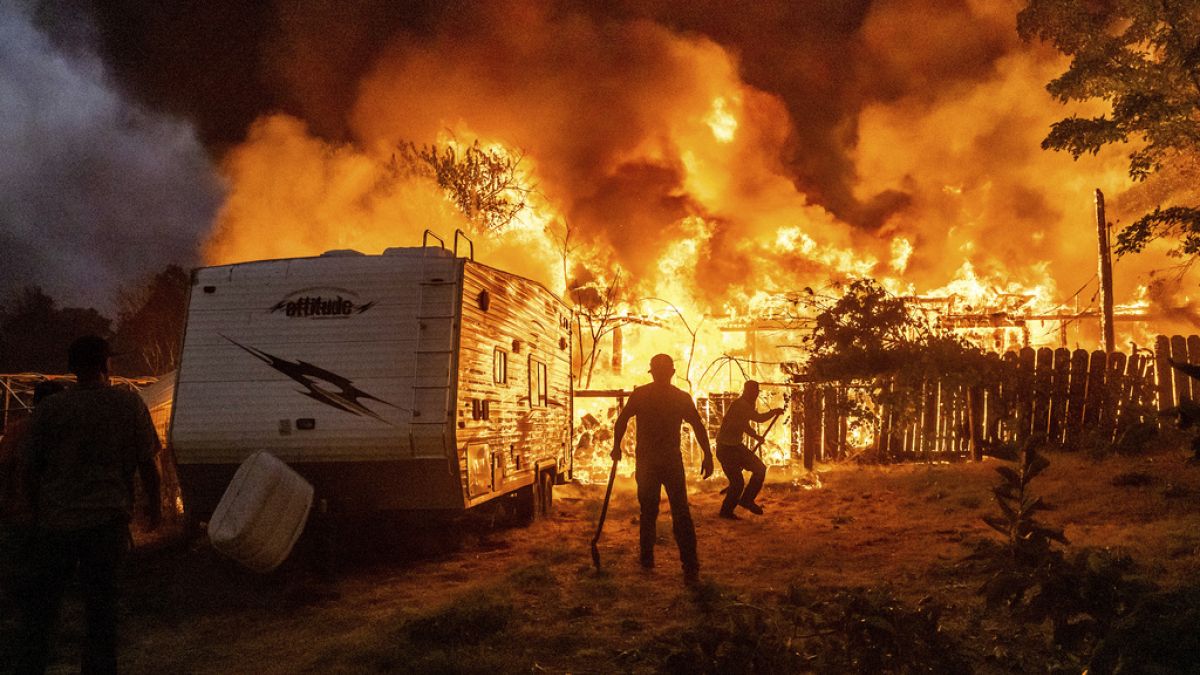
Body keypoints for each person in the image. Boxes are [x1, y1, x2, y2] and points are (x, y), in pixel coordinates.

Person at [17, 335, 162, 675]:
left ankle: (31, 664)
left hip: (56, 525)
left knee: (43, 610)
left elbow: (28, 469)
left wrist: (36, 512)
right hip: (106, 525)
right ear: (104, 364)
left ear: (73, 368)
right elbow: (148, 465)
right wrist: (153, 509)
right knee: (101, 612)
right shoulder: (127, 405)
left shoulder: (51, 409)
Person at [612, 353, 713, 585]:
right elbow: (698, 425)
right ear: (672, 373)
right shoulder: (680, 398)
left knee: (649, 511)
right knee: (680, 513)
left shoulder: (641, 394)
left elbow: (622, 420)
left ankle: (647, 560)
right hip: (669, 461)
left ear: (654, 372)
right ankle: (690, 566)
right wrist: (707, 455)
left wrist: (616, 447)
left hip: (648, 461)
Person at [715, 381, 784, 519]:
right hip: (726, 449)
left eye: (757, 391)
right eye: (754, 391)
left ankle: (746, 500)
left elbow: (743, 424)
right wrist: (774, 412)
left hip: (735, 447)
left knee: (759, 469)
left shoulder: (743, 405)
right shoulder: (740, 405)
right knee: (738, 482)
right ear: (746, 391)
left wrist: (756, 436)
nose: (756, 394)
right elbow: (758, 418)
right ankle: (726, 512)